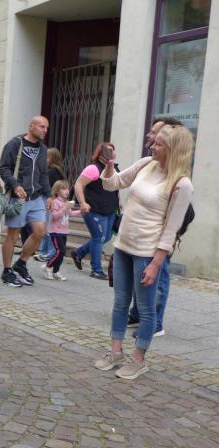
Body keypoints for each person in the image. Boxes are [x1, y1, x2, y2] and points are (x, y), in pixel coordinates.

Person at [93, 125, 194, 380]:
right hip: (123, 246)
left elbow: (171, 229)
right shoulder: (146, 164)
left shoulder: (182, 184)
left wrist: (156, 263)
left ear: (173, 149)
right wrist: (109, 166)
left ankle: (139, 359)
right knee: (120, 302)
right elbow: (113, 184)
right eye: (154, 142)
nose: (152, 147)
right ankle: (115, 351)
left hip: (147, 252)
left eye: (159, 144)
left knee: (146, 309)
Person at [126, 116, 185, 335]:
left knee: (159, 274)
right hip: (142, 233)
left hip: (160, 233)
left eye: (155, 133)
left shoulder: (175, 172)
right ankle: (137, 314)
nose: (149, 136)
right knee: (141, 273)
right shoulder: (150, 163)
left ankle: (155, 322)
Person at [0, 116, 51, 288]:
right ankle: (7, 271)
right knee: (13, 235)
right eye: (42, 126)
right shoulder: (15, 144)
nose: (45, 130)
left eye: (46, 127)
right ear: (31, 126)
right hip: (18, 198)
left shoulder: (43, 148)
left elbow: (44, 173)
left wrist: (49, 195)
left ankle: (21, 264)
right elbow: (3, 168)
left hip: (36, 197)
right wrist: (15, 185)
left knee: (40, 232)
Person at [71, 143, 120, 280]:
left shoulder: (114, 168)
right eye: (108, 151)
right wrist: (82, 203)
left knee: (107, 237)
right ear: (100, 154)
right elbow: (78, 184)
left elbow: (115, 187)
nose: (111, 153)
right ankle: (96, 270)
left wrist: (119, 202)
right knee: (98, 237)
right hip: (95, 209)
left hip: (110, 210)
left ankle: (79, 253)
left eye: (112, 150)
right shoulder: (94, 168)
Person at [42, 180, 80, 281]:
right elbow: (55, 216)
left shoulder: (66, 203)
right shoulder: (55, 202)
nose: (67, 191)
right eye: (63, 189)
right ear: (57, 191)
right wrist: (65, 207)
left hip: (64, 231)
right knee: (60, 251)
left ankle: (56, 271)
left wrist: (82, 211)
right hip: (55, 231)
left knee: (62, 253)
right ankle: (48, 266)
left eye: (67, 188)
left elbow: (71, 214)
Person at [34, 147, 65, 261]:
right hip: (50, 200)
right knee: (46, 227)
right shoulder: (56, 171)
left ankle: (49, 253)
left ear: (52, 158)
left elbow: (48, 187)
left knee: (49, 227)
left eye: (47, 157)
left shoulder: (53, 171)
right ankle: (44, 252)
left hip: (49, 200)